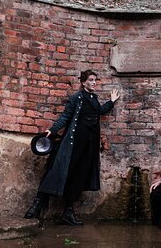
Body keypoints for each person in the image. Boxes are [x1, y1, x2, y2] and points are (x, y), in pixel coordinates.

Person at [24, 70, 120, 225]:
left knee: (79, 177)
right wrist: (53, 130)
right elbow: (66, 116)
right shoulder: (77, 98)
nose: (94, 82)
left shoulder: (93, 99)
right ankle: (36, 206)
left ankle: (68, 212)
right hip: (73, 144)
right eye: (91, 80)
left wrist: (111, 101)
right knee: (56, 173)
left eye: (95, 80)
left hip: (88, 146)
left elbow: (99, 111)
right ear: (83, 82)